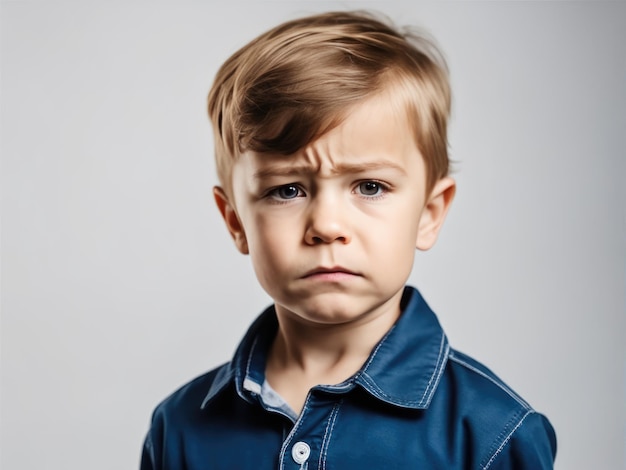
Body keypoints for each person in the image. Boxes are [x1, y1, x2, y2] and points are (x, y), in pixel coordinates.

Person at [140, 10, 557, 469]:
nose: (326, 225)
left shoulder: (491, 435)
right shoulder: (179, 428)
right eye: (287, 190)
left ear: (429, 213)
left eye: (370, 186)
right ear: (235, 221)